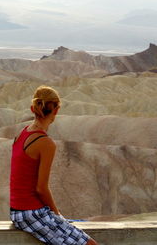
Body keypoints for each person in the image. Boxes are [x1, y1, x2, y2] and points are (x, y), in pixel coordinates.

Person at [9, 85, 98, 245]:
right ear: (56, 110)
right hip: (30, 213)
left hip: (17, 211)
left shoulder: (22, 133)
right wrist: (57, 214)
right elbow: (41, 188)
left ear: (32, 108)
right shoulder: (45, 143)